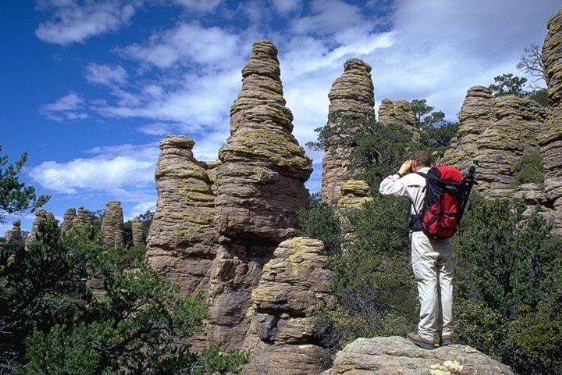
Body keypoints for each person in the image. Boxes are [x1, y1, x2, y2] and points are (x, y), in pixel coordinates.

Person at [378, 150, 453, 349]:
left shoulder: (413, 178)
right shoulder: (444, 181)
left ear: (413, 164)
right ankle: (446, 333)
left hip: (422, 237)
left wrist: (399, 172)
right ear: (431, 163)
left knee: (427, 282)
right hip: (445, 237)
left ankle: (427, 334)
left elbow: (384, 188)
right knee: (445, 284)